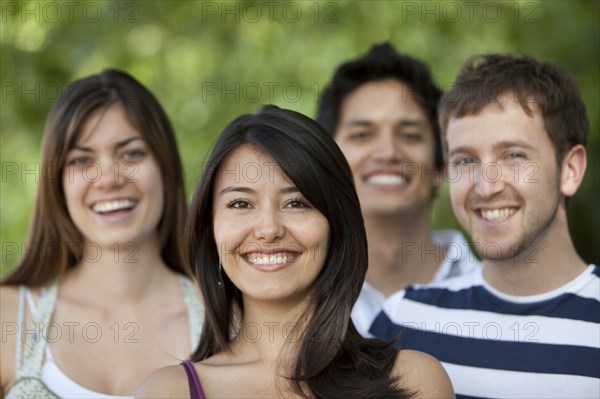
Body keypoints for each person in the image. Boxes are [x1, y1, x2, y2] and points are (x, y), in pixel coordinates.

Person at [136, 106, 454, 398]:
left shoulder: (413, 380)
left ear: (336, 225)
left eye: (296, 203)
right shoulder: (170, 391)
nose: (268, 229)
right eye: (240, 203)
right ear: (211, 231)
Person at [371, 54, 599, 398]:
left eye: (514, 155)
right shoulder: (402, 322)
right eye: (466, 160)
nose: (486, 186)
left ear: (570, 170)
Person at [0, 69, 203, 398]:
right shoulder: (9, 317)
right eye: (81, 160)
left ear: (165, 170)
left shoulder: (227, 320)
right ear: (57, 183)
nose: (108, 178)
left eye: (132, 153)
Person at [316, 42, 480, 337]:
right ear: (325, 161)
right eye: (362, 134)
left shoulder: (500, 295)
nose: (388, 152)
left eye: (410, 135)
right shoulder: (289, 300)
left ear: (443, 164)